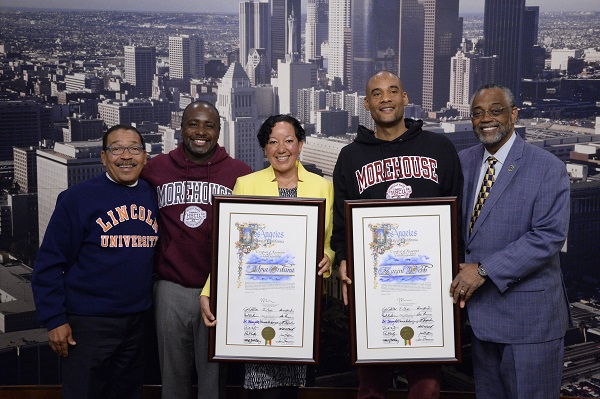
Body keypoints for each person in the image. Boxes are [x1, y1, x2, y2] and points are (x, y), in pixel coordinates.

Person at [331, 71, 463, 399]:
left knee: (427, 387)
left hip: (428, 288)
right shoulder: (350, 157)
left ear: (405, 98)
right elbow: (341, 225)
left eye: (393, 91)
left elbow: (456, 216)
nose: (386, 98)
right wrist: (344, 257)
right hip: (375, 289)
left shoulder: (440, 147)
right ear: (367, 104)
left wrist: (457, 266)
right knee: (371, 387)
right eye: (377, 93)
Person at [200, 114, 334, 399]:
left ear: (300, 144)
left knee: (293, 389)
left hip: (299, 305)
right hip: (256, 301)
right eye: (273, 142)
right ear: (264, 148)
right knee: (263, 389)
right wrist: (209, 291)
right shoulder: (246, 184)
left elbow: (328, 241)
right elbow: (229, 247)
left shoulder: (323, 188)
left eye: (289, 141)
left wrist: (328, 257)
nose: (281, 148)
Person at [449, 83, 571, 399]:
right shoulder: (462, 162)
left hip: (530, 321)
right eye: (477, 113)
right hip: (480, 320)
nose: (486, 118)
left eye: (495, 110)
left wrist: (485, 270)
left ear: (514, 115)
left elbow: (548, 237)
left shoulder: (548, 167)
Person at [31, 124, 159, 399]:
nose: (126, 156)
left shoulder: (152, 195)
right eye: (117, 149)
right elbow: (49, 263)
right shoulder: (78, 198)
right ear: (104, 157)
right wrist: (54, 320)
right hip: (88, 324)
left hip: (137, 323)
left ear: (145, 157)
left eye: (134, 148)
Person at [140, 101, 252, 399]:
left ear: (219, 130)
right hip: (170, 287)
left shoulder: (240, 173)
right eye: (193, 123)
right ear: (181, 127)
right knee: (172, 380)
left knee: (213, 383)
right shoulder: (156, 168)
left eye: (209, 125)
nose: (200, 131)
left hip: (217, 288)